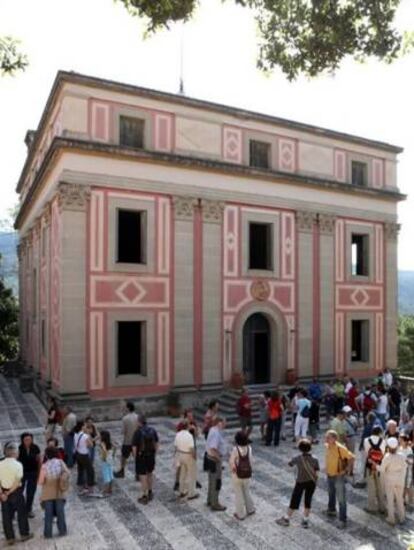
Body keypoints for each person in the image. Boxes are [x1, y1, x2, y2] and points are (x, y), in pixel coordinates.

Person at [276, 439, 319, 529]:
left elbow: (290, 464)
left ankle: (287, 518)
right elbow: (317, 471)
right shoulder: (315, 459)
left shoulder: (298, 458)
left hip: (300, 482)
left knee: (295, 500)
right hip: (311, 482)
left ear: (300, 449)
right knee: (308, 500)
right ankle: (305, 520)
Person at [0, 441, 33, 545]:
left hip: (3, 492)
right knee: (21, 514)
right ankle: (24, 534)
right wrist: (8, 493)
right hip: (16, 492)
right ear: (14, 453)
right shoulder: (18, 465)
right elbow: (17, 482)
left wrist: (2, 494)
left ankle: (10, 538)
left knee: (6, 516)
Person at [325, 430, 355, 529]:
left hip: (338, 476)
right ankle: (331, 509)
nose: (326, 439)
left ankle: (343, 519)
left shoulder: (341, 448)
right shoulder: (328, 445)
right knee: (331, 493)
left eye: (328, 437)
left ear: (334, 439)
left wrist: (346, 470)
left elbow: (351, 457)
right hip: (330, 474)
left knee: (341, 499)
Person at [38, 447, 69, 539]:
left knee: (48, 514)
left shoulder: (44, 466)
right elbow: (67, 473)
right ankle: (62, 531)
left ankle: (48, 534)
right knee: (60, 512)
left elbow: (40, 481)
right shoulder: (60, 462)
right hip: (59, 491)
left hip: (47, 493)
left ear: (47, 455)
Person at [380, 437, 407, 526]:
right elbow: (405, 467)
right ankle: (402, 518)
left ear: (388, 447)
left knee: (390, 499)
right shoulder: (402, 455)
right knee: (400, 499)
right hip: (400, 480)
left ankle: (391, 518)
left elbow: (382, 469)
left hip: (390, 480)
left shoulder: (387, 457)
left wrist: (375, 465)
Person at [132, 415, 159, 504]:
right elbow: (156, 443)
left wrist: (136, 457)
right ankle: (150, 491)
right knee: (150, 473)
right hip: (151, 455)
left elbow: (134, 447)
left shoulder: (137, 432)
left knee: (142, 476)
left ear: (139, 422)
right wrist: (154, 453)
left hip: (141, 456)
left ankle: (144, 495)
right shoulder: (153, 430)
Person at [229, 431, 255, 520]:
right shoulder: (249, 448)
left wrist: (233, 469)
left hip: (237, 474)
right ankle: (250, 509)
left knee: (238, 494)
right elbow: (251, 461)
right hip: (247, 473)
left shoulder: (235, 449)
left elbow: (232, 462)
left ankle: (240, 514)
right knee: (246, 491)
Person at [205, 416, 227, 511]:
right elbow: (213, 448)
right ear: (219, 422)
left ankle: (210, 499)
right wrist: (219, 459)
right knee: (216, 481)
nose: (226, 424)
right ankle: (215, 503)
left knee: (211, 480)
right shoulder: (216, 433)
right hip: (214, 459)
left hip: (210, 458)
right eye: (224, 422)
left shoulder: (213, 430)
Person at [363, 425, 386, 514]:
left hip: (369, 465)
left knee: (371, 487)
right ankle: (382, 507)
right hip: (380, 466)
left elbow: (366, 452)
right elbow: (383, 453)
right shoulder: (383, 441)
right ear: (380, 432)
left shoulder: (366, 440)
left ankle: (371, 507)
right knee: (380, 487)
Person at [18, 432, 41, 518]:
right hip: (22, 473)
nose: (28, 441)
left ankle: (28, 509)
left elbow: (39, 461)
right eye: (26, 440)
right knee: (19, 492)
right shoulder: (19, 449)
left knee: (31, 492)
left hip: (33, 473)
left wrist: (39, 474)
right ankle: (20, 508)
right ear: (22, 440)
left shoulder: (35, 448)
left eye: (29, 440)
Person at [174, 421, 198, 501]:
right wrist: (195, 457)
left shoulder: (178, 434)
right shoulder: (189, 436)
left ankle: (182, 490)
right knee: (191, 475)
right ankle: (191, 493)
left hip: (181, 454)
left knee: (182, 474)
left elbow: (176, 447)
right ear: (187, 426)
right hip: (188, 455)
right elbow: (192, 449)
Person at [114, 402, 138, 478]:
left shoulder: (125, 418)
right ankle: (138, 474)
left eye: (125, 407)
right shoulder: (138, 417)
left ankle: (122, 471)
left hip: (127, 441)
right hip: (137, 441)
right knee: (137, 457)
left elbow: (123, 431)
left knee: (123, 457)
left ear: (128, 408)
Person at [73, 420, 95, 495]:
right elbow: (91, 445)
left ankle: (80, 486)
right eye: (85, 425)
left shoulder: (76, 434)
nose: (86, 427)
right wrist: (88, 434)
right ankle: (90, 487)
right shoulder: (85, 436)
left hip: (78, 454)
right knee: (90, 471)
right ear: (82, 427)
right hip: (84, 455)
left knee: (80, 470)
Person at [398, 433, 413, 506]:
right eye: (399, 440)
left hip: (406, 470)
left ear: (405, 441)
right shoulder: (399, 448)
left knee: (406, 485)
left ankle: (404, 499)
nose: (399, 441)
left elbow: (411, 461)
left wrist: (404, 459)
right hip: (399, 470)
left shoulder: (409, 450)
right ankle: (401, 498)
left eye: (401, 440)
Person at [99, 431, 115, 496]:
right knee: (111, 475)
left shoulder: (102, 443)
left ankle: (104, 491)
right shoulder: (110, 443)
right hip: (110, 460)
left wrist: (104, 458)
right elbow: (116, 447)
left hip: (105, 461)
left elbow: (104, 451)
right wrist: (113, 455)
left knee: (106, 477)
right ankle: (110, 490)